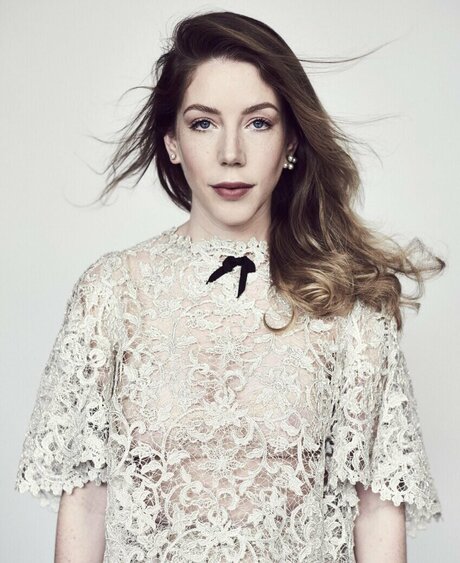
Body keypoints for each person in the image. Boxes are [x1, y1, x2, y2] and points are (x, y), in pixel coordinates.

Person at [15, 10, 444, 563]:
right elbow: (87, 505)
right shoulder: (111, 295)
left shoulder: (348, 306)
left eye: (258, 123)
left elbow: (377, 513)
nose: (231, 153)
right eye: (204, 123)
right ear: (172, 141)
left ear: (291, 141)